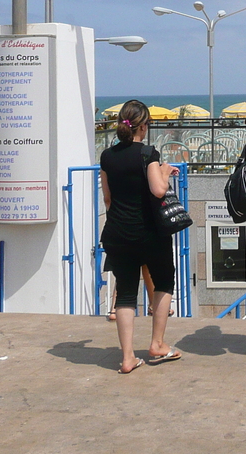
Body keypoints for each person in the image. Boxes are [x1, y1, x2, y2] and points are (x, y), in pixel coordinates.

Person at [99, 100, 182, 374]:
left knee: (125, 294)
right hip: (148, 233)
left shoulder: (107, 156)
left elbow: (108, 199)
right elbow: (158, 190)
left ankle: (127, 358)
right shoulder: (148, 153)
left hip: (117, 233)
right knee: (164, 283)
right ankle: (157, 344)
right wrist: (166, 171)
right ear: (143, 126)